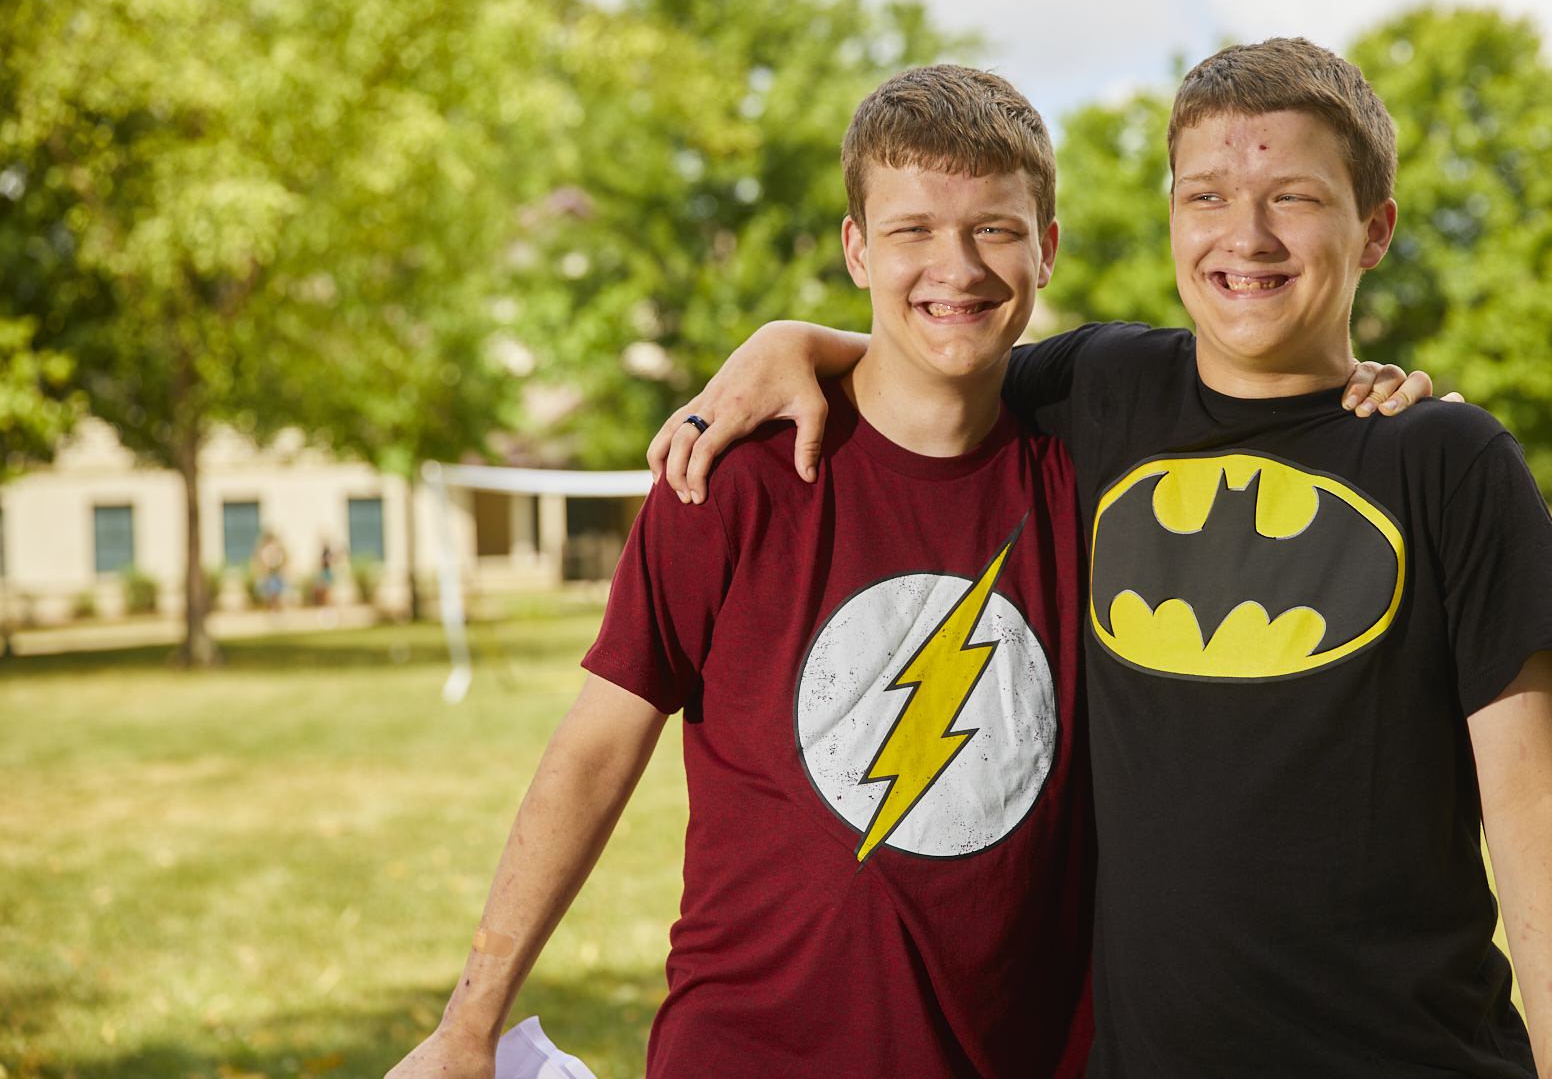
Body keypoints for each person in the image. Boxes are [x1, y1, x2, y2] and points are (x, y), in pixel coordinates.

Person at [390, 63, 1431, 1079]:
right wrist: (471, 1023)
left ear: (1047, 248)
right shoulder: (735, 480)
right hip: (747, 1050)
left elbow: (1266, 388)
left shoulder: (1098, 477)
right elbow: (593, 752)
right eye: (912, 231)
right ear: (856, 248)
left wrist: (1379, 409)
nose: (956, 267)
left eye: (994, 230)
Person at [653, 39, 1552, 1077]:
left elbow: (1532, 798)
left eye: (1292, 198)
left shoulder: (1451, 460)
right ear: (1173, 217)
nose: (1246, 235)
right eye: (1207, 197)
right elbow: (942, 345)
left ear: (1374, 229)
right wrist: (789, 340)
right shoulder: (1105, 391)